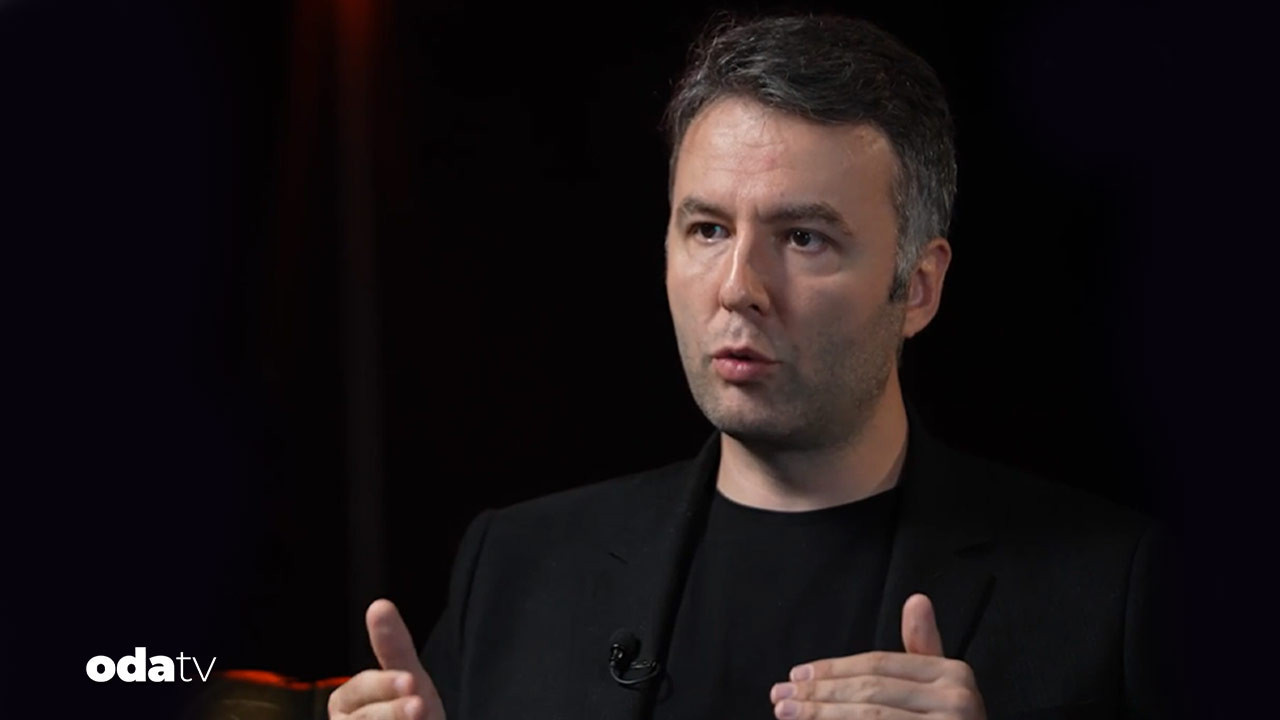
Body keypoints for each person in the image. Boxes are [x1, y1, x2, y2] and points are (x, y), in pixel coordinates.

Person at [328, 13, 1179, 720]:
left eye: (803, 238)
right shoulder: (516, 568)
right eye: (708, 230)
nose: (739, 288)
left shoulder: (1107, 593)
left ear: (918, 287)